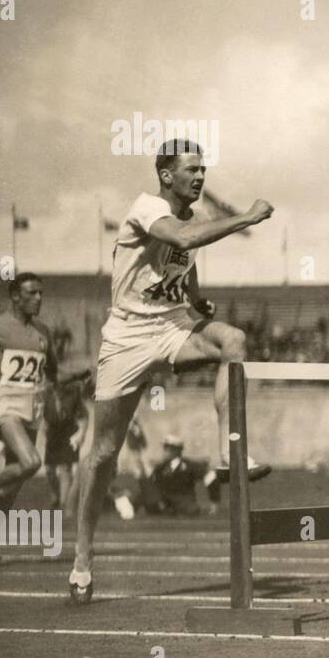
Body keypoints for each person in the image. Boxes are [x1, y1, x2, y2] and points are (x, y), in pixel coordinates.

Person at [69, 138, 275, 604]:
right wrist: (246, 216)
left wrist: (196, 300)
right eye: (191, 170)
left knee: (234, 341)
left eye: (203, 169)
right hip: (127, 338)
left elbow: (185, 262)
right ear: (166, 175)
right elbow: (179, 240)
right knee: (103, 453)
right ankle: (82, 555)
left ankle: (228, 450)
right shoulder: (146, 208)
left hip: (172, 327)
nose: (200, 177)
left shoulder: (194, 220)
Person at [0, 273, 67, 564]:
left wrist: (67, 388)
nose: (39, 299)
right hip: (3, 401)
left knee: (14, 484)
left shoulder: (43, 332)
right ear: (15, 297)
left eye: (41, 293)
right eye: (32, 293)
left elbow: (53, 372)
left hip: (32, 405)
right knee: (32, 462)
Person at [43, 374, 91, 515]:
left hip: (68, 432)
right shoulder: (46, 394)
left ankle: (64, 504)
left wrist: (81, 434)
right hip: (52, 433)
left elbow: (84, 415)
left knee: (65, 468)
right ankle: (56, 496)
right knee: (49, 470)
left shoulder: (73, 394)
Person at [147, 435, 214, 516]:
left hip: (184, 501)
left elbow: (209, 477)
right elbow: (152, 484)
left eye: (167, 449)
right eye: (165, 448)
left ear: (176, 451)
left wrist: (213, 500)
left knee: (191, 509)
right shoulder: (160, 467)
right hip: (165, 501)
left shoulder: (189, 465)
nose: (165, 452)